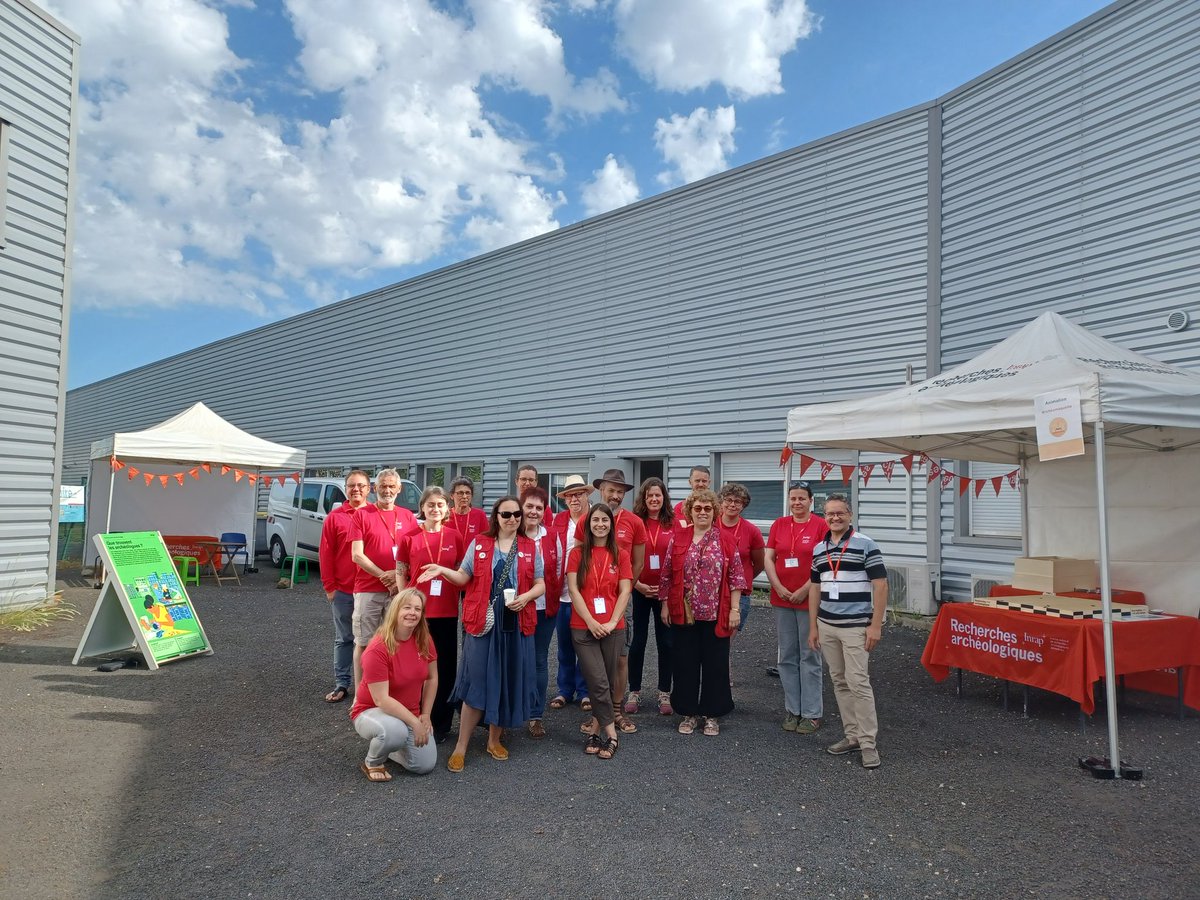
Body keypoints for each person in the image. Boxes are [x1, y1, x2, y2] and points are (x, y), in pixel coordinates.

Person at [417, 496, 544, 772]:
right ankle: (461, 745)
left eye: (517, 515)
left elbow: (540, 583)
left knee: (505, 680)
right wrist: (442, 570)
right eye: (506, 514)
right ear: (496, 517)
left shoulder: (530, 547)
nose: (512, 519)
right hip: (484, 622)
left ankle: (493, 740)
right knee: (476, 680)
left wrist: (527, 597)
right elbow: (463, 578)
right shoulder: (479, 544)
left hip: (515, 621)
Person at [807, 494, 888, 769]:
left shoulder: (865, 544)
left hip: (856, 627)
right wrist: (813, 627)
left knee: (859, 683)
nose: (835, 518)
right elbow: (815, 588)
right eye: (830, 514)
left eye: (840, 513)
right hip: (827, 625)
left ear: (850, 515)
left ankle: (868, 744)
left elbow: (880, 585)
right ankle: (851, 735)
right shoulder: (819, 548)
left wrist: (875, 625)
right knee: (840, 681)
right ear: (824, 517)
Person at [660, 488, 745, 736]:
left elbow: (736, 576)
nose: (703, 512)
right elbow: (667, 574)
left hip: (716, 613)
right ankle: (688, 713)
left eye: (708, 508)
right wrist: (665, 604)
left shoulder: (725, 540)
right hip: (684, 613)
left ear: (714, 511)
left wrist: (735, 610)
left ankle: (712, 714)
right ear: (690, 511)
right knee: (685, 663)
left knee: (715, 665)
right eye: (698, 508)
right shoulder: (679, 538)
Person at [396, 486, 464, 743]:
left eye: (440, 505)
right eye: (431, 505)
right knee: (416, 667)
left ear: (447, 508)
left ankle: (442, 723)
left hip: (446, 611)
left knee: (445, 668)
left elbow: (460, 572)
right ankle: (413, 716)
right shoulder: (409, 536)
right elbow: (400, 571)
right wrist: (404, 601)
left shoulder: (455, 536)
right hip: (418, 614)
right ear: (422, 508)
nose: (435, 509)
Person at [349, 588, 438, 781]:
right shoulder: (378, 647)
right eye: (407, 607)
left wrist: (425, 715)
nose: (412, 613)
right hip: (370, 710)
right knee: (394, 731)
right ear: (395, 610)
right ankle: (372, 761)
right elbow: (381, 700)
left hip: (409, 712)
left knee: (424, 765)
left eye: (417, 608)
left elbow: (432, 678)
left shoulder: (424, 639)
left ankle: (390, 747)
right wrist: (415, 723)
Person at [566, 503, 632, 760]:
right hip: (584, 626)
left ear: (611, 524)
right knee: (598, 680)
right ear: (588, 524)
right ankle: (612, 733)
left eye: (605, 520)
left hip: (613, 627)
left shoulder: (621, 554)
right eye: (595, 520)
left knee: (605, 679)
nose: (600, 524)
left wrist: (613, 621)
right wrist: (592, 621)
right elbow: (573, 590)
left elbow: (625, 590)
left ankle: (594, 729)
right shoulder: (577, 554)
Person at [763, 481, 827, 734]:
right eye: (793, 498)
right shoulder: (779, 524)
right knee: (787, 656)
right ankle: (793, 709)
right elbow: (769, 557)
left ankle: (812, 713)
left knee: (809, 655)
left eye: (802, 498)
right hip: (782, 598)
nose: (797, 503)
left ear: (811, 501)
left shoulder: (820, 525)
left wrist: (806, 589)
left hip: (809, 599)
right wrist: (777, 585)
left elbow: (824, 562)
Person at [349, 469, 419, 694]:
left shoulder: (408, 516)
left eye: (391, 486)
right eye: (383, 486)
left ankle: (390, 690)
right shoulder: (362, 514)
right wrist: (384, 575)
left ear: (399, 489)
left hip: (397, 591)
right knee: (364, 641)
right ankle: (362, 693)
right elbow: (357, 555)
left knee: (396, 641)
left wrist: (396, 577)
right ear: (374, 488)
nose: (387, 490)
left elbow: (413, 553)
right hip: (368, 589)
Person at [590, 467, 646, 733]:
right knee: (594, 658)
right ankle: (598, 713)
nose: (614, 495)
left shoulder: (634, 522)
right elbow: (580, 559)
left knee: (621, 657)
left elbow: (638, 563)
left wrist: (623, 591)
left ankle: (616, 709)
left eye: (619, 492)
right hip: (591, 599)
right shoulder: (589, 519)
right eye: (611, 490)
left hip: (621, 600)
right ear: (601, 490)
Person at [318, 469, 371, 703]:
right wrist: (330, 587)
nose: (356, 489)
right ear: (346, 489)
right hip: (344, 589)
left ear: (369, 489)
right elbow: (325, 554)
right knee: (345, 638)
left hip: (370, 588)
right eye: (351, 486)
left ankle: (370, 683)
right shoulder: (335, 517)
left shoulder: (375, 514)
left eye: (360, 485)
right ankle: (342, 683)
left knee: (371, 638)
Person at [627, 477, 674, 716]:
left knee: (667, 643)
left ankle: (664, 692)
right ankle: (634, 691)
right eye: (649, 496)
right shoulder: (636, 522)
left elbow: (678, 560)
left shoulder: (674, 523)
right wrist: (638, 585)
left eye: (658, 495)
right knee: (638, 642)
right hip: (640, 589)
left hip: (666, 593)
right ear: (643, 499)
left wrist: (665, 591)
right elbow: (627, 558)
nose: (654, 499)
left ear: (664, 497)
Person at [548, 476, 594, 713]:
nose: (574, 499)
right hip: (562, 592)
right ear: (565, 500)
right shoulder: (559, 520)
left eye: (578, 494)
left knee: (585, 645)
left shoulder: (594, 519)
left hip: (586, 592)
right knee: (564, 644)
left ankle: (585, 691)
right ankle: (565, 690)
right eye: (569, 495)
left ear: (587, 495)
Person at [520, 486, 562, 739]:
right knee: (514, 660)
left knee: (538, 661)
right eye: (529, 506)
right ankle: (510, 713)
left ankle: (535, 715)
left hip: (545, 609)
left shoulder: (552, 535)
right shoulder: (512, 534)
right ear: (521, 507)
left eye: (539, 507)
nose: (534, 512)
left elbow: (558, 572)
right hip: (518, 608)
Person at [716, 482, 766, 632]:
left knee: (725, 642)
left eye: (737, 501)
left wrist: (743, 577)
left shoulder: (752, 531)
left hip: (739, 596)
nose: (732, 504)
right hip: (712, 592)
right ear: (721, 501)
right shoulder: (711, 525)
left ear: (744, 505)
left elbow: (759, 563)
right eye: (728, 500)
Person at [448, 477, 489, 545]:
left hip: (473, 555)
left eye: (468, 493)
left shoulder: (479, 514)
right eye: (460, 493)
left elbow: (485, 540)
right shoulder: (445, 515)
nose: (464, 496)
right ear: (452, 495)